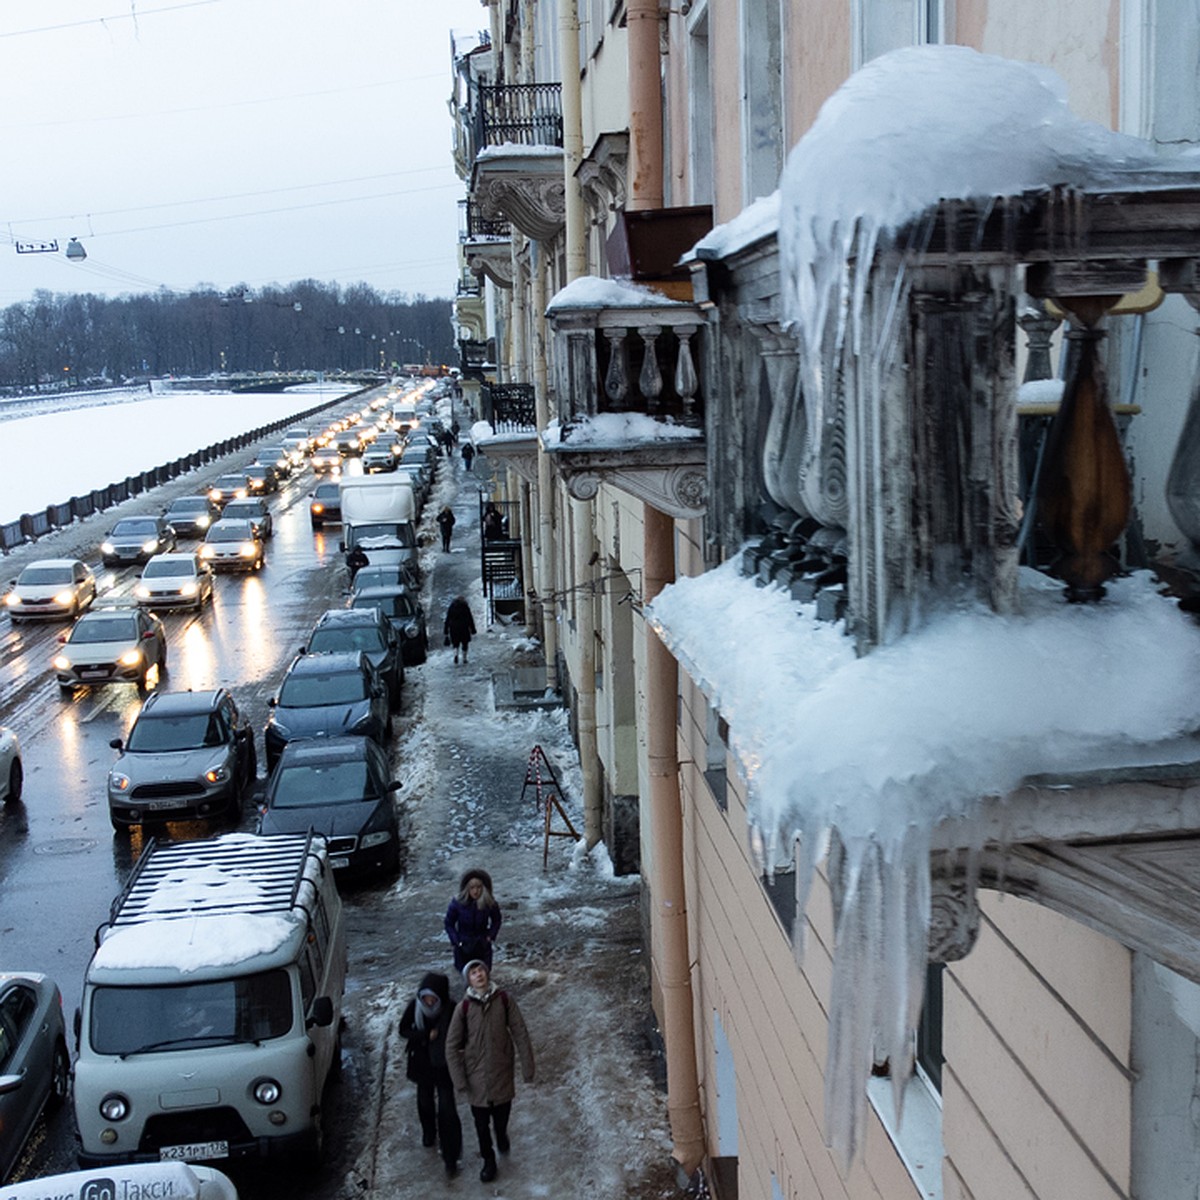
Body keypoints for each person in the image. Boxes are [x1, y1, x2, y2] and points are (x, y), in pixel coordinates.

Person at [446, 960, 535, 1183]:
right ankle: (489, 1160)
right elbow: (451, 1045)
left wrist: (527, 1067)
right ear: (468, 979)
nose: (479, 975)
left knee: (501, 1116)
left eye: (481, 971)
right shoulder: (463, 1008)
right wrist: (459, 1080)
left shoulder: (504, 1000)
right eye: (473, 973)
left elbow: (520, 1032)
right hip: (476, 1076)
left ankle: (502, 1133)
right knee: (481, 1124)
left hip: (501, 1070)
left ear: (487, 974)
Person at [398, 972, 463, 1177]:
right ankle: (428, 1131)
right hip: (421, 1064)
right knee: (425, 1102)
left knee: (447, 1111)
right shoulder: (414, 1008)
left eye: (432, 998)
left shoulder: (451, 1009)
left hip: (443, 1066)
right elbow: (403, 1030)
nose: (428, 1001)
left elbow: (462, 1033)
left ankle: (451, 1157)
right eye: (425, 997)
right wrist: (425, 1035)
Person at [443, 867, 502, 971]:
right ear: (467, 888)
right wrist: (456, 941)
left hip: (482, 945)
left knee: (483, 975)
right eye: (472, 888)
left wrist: (490, 936)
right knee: (464, 976)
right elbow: (449, 924)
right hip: (463, 946)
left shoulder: (489, 903)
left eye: (479, 887)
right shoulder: (457, 903)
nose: (475, 891)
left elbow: (497, 920)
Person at [443, 595, 476, 664]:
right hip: (464, 628)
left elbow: (448, 619)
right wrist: (473, 629)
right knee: (465, 643)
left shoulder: (452, 607)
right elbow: (470, 618)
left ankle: (456, 655)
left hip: (453, 628)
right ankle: (464, 658)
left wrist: (446, 630)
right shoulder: (465, 607)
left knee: (455, 643)